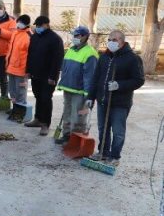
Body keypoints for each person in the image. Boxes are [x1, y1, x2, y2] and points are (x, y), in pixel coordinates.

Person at [86, 30, 144, 167]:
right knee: (103, 128)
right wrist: (90, 96)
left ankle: (114, 156)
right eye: (110, 39)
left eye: (115, 40)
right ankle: (103, 152)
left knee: (118, 131)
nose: (111, 42)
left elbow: (139, 80)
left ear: (122, 41)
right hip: (103, 100)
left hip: (120, 103)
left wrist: (120, 85)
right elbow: (96, 78)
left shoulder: (132, 58)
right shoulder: (104, 57)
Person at [55, 26, 98, 144]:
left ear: (85, 37)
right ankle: (67, 135)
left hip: (79, 91)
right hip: (68, 87)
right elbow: (65, 68)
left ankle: (76, 139)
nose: (75, 38)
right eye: (74, 35)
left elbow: (90, 75)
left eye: (78, 35)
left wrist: (88, 94)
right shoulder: (71, 49)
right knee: (67, 113)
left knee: (78, 116)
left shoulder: (90, 53)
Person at [25, 16, 64, 136]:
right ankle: (38, 119)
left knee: (46, 98)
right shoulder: (35, 36)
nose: (38, 28)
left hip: (48, 76)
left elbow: (57, 60)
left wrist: (53, 76)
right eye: (37, 25)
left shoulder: (55, 39)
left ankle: (45, 124)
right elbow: (30, 54)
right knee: (38, 96)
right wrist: (28, 70)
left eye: (40, 25)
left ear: (47, 24)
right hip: (35, 73)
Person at [5, 15, 32, 123]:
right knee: (12, 91)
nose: (18, 23)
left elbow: (31, 55)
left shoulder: (29, 36)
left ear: (26, 24)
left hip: (22, 70)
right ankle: (15, 109)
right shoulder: (15, 33)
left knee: (21, 92)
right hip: (11, 67)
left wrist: (28, 70)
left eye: (20, 22)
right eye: (18, 21)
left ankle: (21, 112)